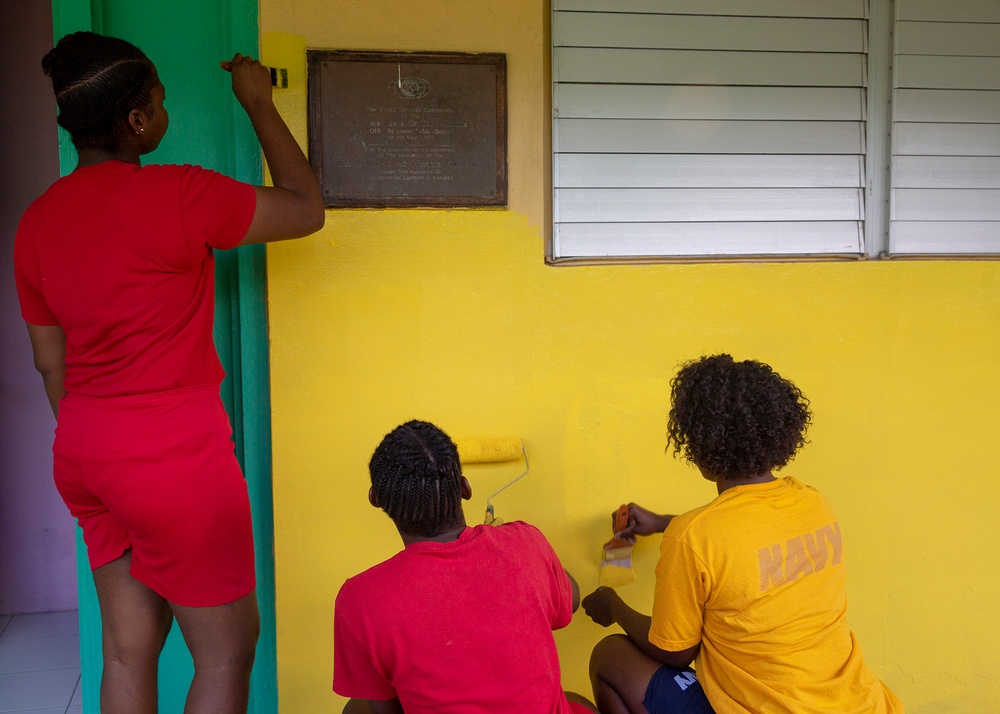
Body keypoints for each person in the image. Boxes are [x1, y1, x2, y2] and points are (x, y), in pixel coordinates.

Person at [13, 32, 324, 713]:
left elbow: (48, 360)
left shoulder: (36, 223)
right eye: (159, 101)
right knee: (226, 655)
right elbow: (306, 209)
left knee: (127, 651)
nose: (165, 112)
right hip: (172, 460)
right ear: (135, 120)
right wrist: (257, 104)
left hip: (86, 454)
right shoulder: (179, 194)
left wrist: (108, 443)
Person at [580, 355, 904, 714]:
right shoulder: (813, 503)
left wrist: (614, 606)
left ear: (697, 445)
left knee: (609, 656)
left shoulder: (693, 537)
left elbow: (673, 651)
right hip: (861, 703)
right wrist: (661, 523)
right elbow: (744, 543)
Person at [333, 420, 598, 714]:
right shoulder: (525, 542)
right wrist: (532, 552)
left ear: (376, 500)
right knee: (578, 702)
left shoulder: (359, 598)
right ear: (464, 487)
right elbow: (570, 600)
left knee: (357, 707)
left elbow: (386, 710)